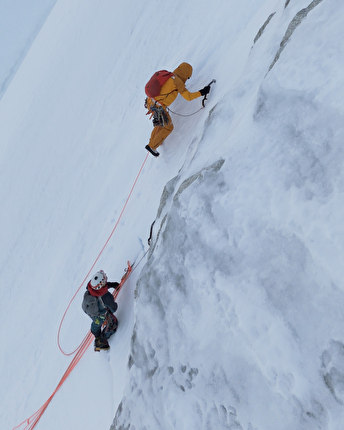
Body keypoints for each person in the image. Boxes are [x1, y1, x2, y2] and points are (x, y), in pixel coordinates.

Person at [144, 62, 211, 157]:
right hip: (158, 106)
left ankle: (154, 141)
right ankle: (152, 146)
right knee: (168, 127)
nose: (187, 80)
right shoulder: (176, 81)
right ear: (185, 74)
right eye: (188, 77)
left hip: (150, 102)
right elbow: (188, 97)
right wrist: (202, 92)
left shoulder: (169, 76)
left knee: (160, 124)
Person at [82, 270, 120, 351]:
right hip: (100, 313)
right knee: (113, 323)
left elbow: (100, 289)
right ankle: (102, 342)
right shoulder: (106, 298)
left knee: (96, 322)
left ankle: (96, 333)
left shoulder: (90, 286)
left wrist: (111, 285)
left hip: (89, 309)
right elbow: (114, 308)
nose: (106, 278)